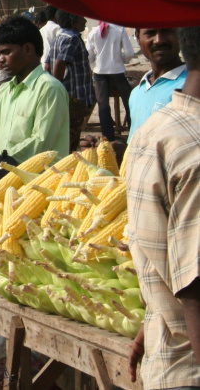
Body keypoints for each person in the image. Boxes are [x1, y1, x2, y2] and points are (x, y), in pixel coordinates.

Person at [126, 26, 200, 390]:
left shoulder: (152, 131)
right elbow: (194, 282)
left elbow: (167, 258)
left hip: (166, 355)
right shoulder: (195, 148)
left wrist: (152, 317)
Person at [0, 16, 69, 164]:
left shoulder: (49, 89)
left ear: (28, 49)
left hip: (38, 181)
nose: (0, 59)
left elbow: (40, 144)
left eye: (6, 52)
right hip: (7, 181)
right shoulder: (5, 91)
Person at [128, 28, 186, 139]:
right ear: (138, 37)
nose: (158, 40)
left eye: (167, 31)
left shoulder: (191, 86)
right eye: (150, 33)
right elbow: (135, 146)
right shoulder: (137, 92)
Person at [49, 10, 93, 152]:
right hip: (73, 97)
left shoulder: (58, 37)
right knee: (71, 138)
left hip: (70, 96)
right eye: (82, 17)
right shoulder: (72, 37)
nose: (85, 21)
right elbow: (60, 63)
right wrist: (57, 89)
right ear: (73, 22)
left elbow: (48, 64)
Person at [86, 22, 135, 141]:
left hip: (100, 72)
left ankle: (108, 137)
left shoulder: (94, 32)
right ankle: (133, 131)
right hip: (117, 71)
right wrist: (120, 60)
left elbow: (89, 54)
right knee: (129, 102)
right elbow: (129, 53)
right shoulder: (120, 30)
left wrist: (95, 64)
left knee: (103, 106)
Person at [39, 6, 61, 72]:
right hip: (54, 64)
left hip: (43, 63)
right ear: (56, 15)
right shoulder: (58, 28)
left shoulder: (41, 30)